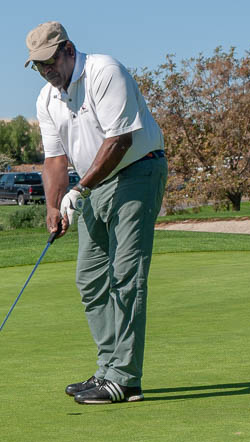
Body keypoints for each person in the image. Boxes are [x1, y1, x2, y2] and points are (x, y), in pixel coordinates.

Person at [25, 21, 167, 405]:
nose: (46, 71)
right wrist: (54, 206)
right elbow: (54, 159)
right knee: (90, 279)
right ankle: (108, 369)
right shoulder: (47, 99)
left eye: (50, 61)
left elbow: (119, 140)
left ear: (68, 49)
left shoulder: (105, 71)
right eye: (38, 66)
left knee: (126, 276)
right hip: (95, 184)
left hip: (138, 172)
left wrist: (79, 188)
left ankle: (126, 379)